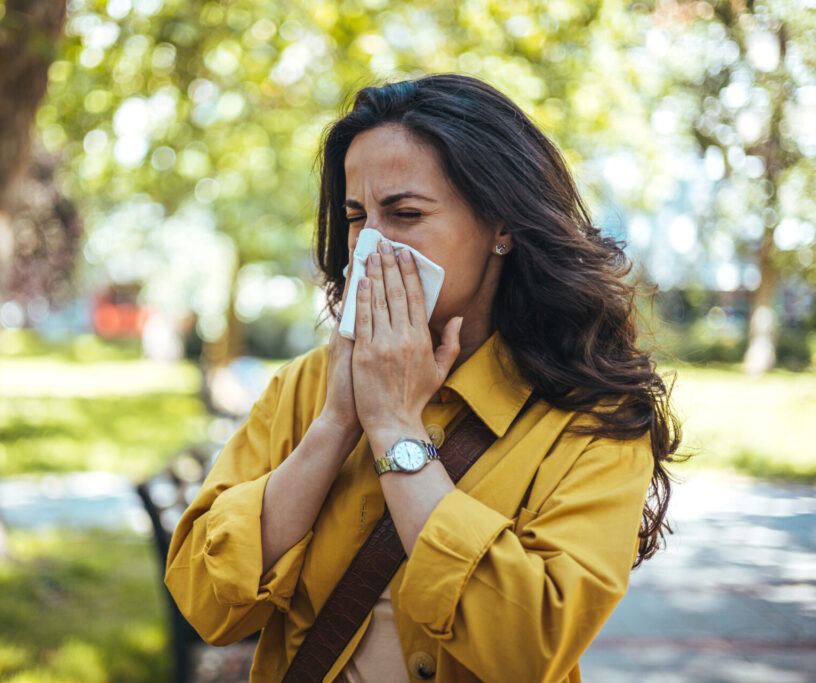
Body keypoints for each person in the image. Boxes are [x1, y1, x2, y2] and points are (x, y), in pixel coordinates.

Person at [165, 74, 681, 682]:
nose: (372, 246)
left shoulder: (593, 419)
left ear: (503, 227)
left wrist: (394, 429)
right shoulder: (306, 386)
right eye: (357, 217)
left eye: (406, 213)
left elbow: (530, 647)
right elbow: (203, 600)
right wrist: (334, 425)